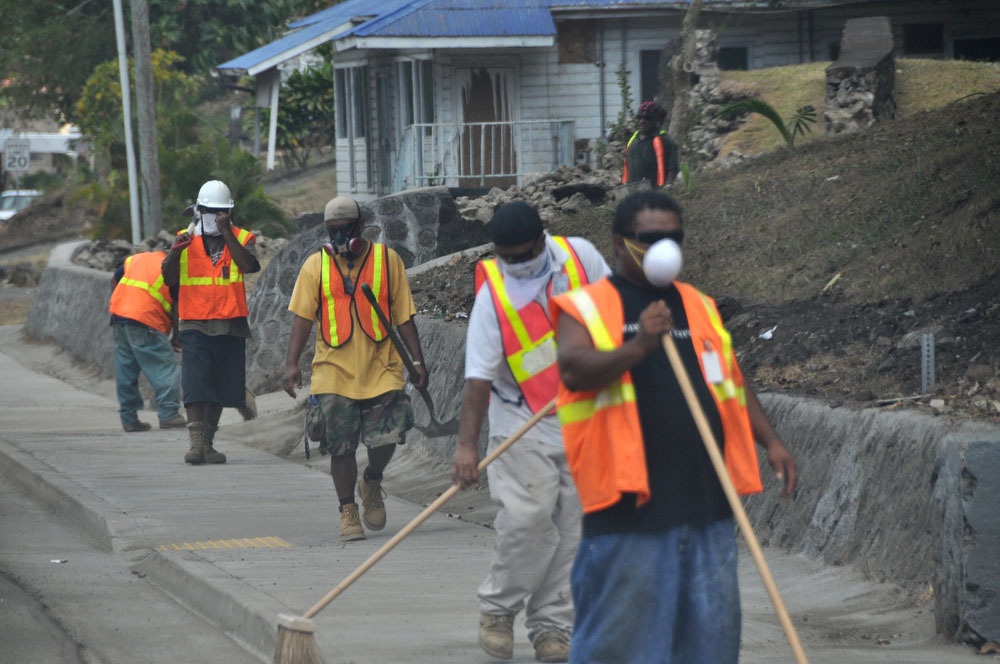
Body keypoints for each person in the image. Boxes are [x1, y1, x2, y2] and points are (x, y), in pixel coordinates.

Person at [549, 190, 797, 664]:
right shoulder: (588, 305)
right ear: (620, 245)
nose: (665, 247)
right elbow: (574, 370)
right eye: (651, 238)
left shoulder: (698, 304)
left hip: (708, 508)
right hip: (629, 513)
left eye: (674, 237)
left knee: (709, 648)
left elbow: (730, 379)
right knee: (620, 650)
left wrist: (771, 441)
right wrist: (640, 343)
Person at [451, 201, 610, 663]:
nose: (516, 265)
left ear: (543, 242)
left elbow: (613, 313)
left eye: (524, 256)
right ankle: (498, 609)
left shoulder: (581, 257)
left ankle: (552, 627)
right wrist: (466, 445)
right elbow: (478, 379)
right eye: (507, 258)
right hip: (520, 419)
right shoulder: (493, 296)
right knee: (527, 519)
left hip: (582, 416)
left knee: (572, 528)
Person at [283, 195, 429, 542]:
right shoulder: (315, 266)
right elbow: (303, 318)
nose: (338, 237)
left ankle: (372, 480)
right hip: (333, 370)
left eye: (345, 230)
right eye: (332, 231)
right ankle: (348, 509)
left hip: (382, 365)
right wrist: (291, 364)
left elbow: (404, 315)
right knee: (340, 446)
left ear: (361, 227)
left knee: (388, 435)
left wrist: (418, 360)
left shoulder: (386, 260)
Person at [162, 179, 260, 465]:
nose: (214, 218)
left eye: (220, 213)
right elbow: (169, 278)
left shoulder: (242, 238)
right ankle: (195, 445)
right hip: (194, 321)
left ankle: (208, 444)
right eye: (208, 212)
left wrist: (227, 232)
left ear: (229, 213)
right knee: (195, 383)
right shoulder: (184, 238)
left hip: (231, 322)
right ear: (198, 211)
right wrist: (176, 251)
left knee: (219, 386)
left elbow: (248, 266)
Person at [108, 250, 187, 432]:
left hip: (120, 318)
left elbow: (114, 280)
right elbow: (177, 306)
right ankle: (169, 415)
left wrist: (115, 306)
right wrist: (176, 336)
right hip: (146, 320)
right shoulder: (173, 269)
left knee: (125, 369)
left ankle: (129, 418)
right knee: (164, 367)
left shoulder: (137, 259)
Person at [621, 101, 680, 188]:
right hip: (632, 193)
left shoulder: (665, 141)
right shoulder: (633, 140)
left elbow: (672, 168)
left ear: (657, 121)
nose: (642, 121)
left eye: (647, 118)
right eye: (639, 118)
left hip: (654, 194)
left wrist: (668, 186)